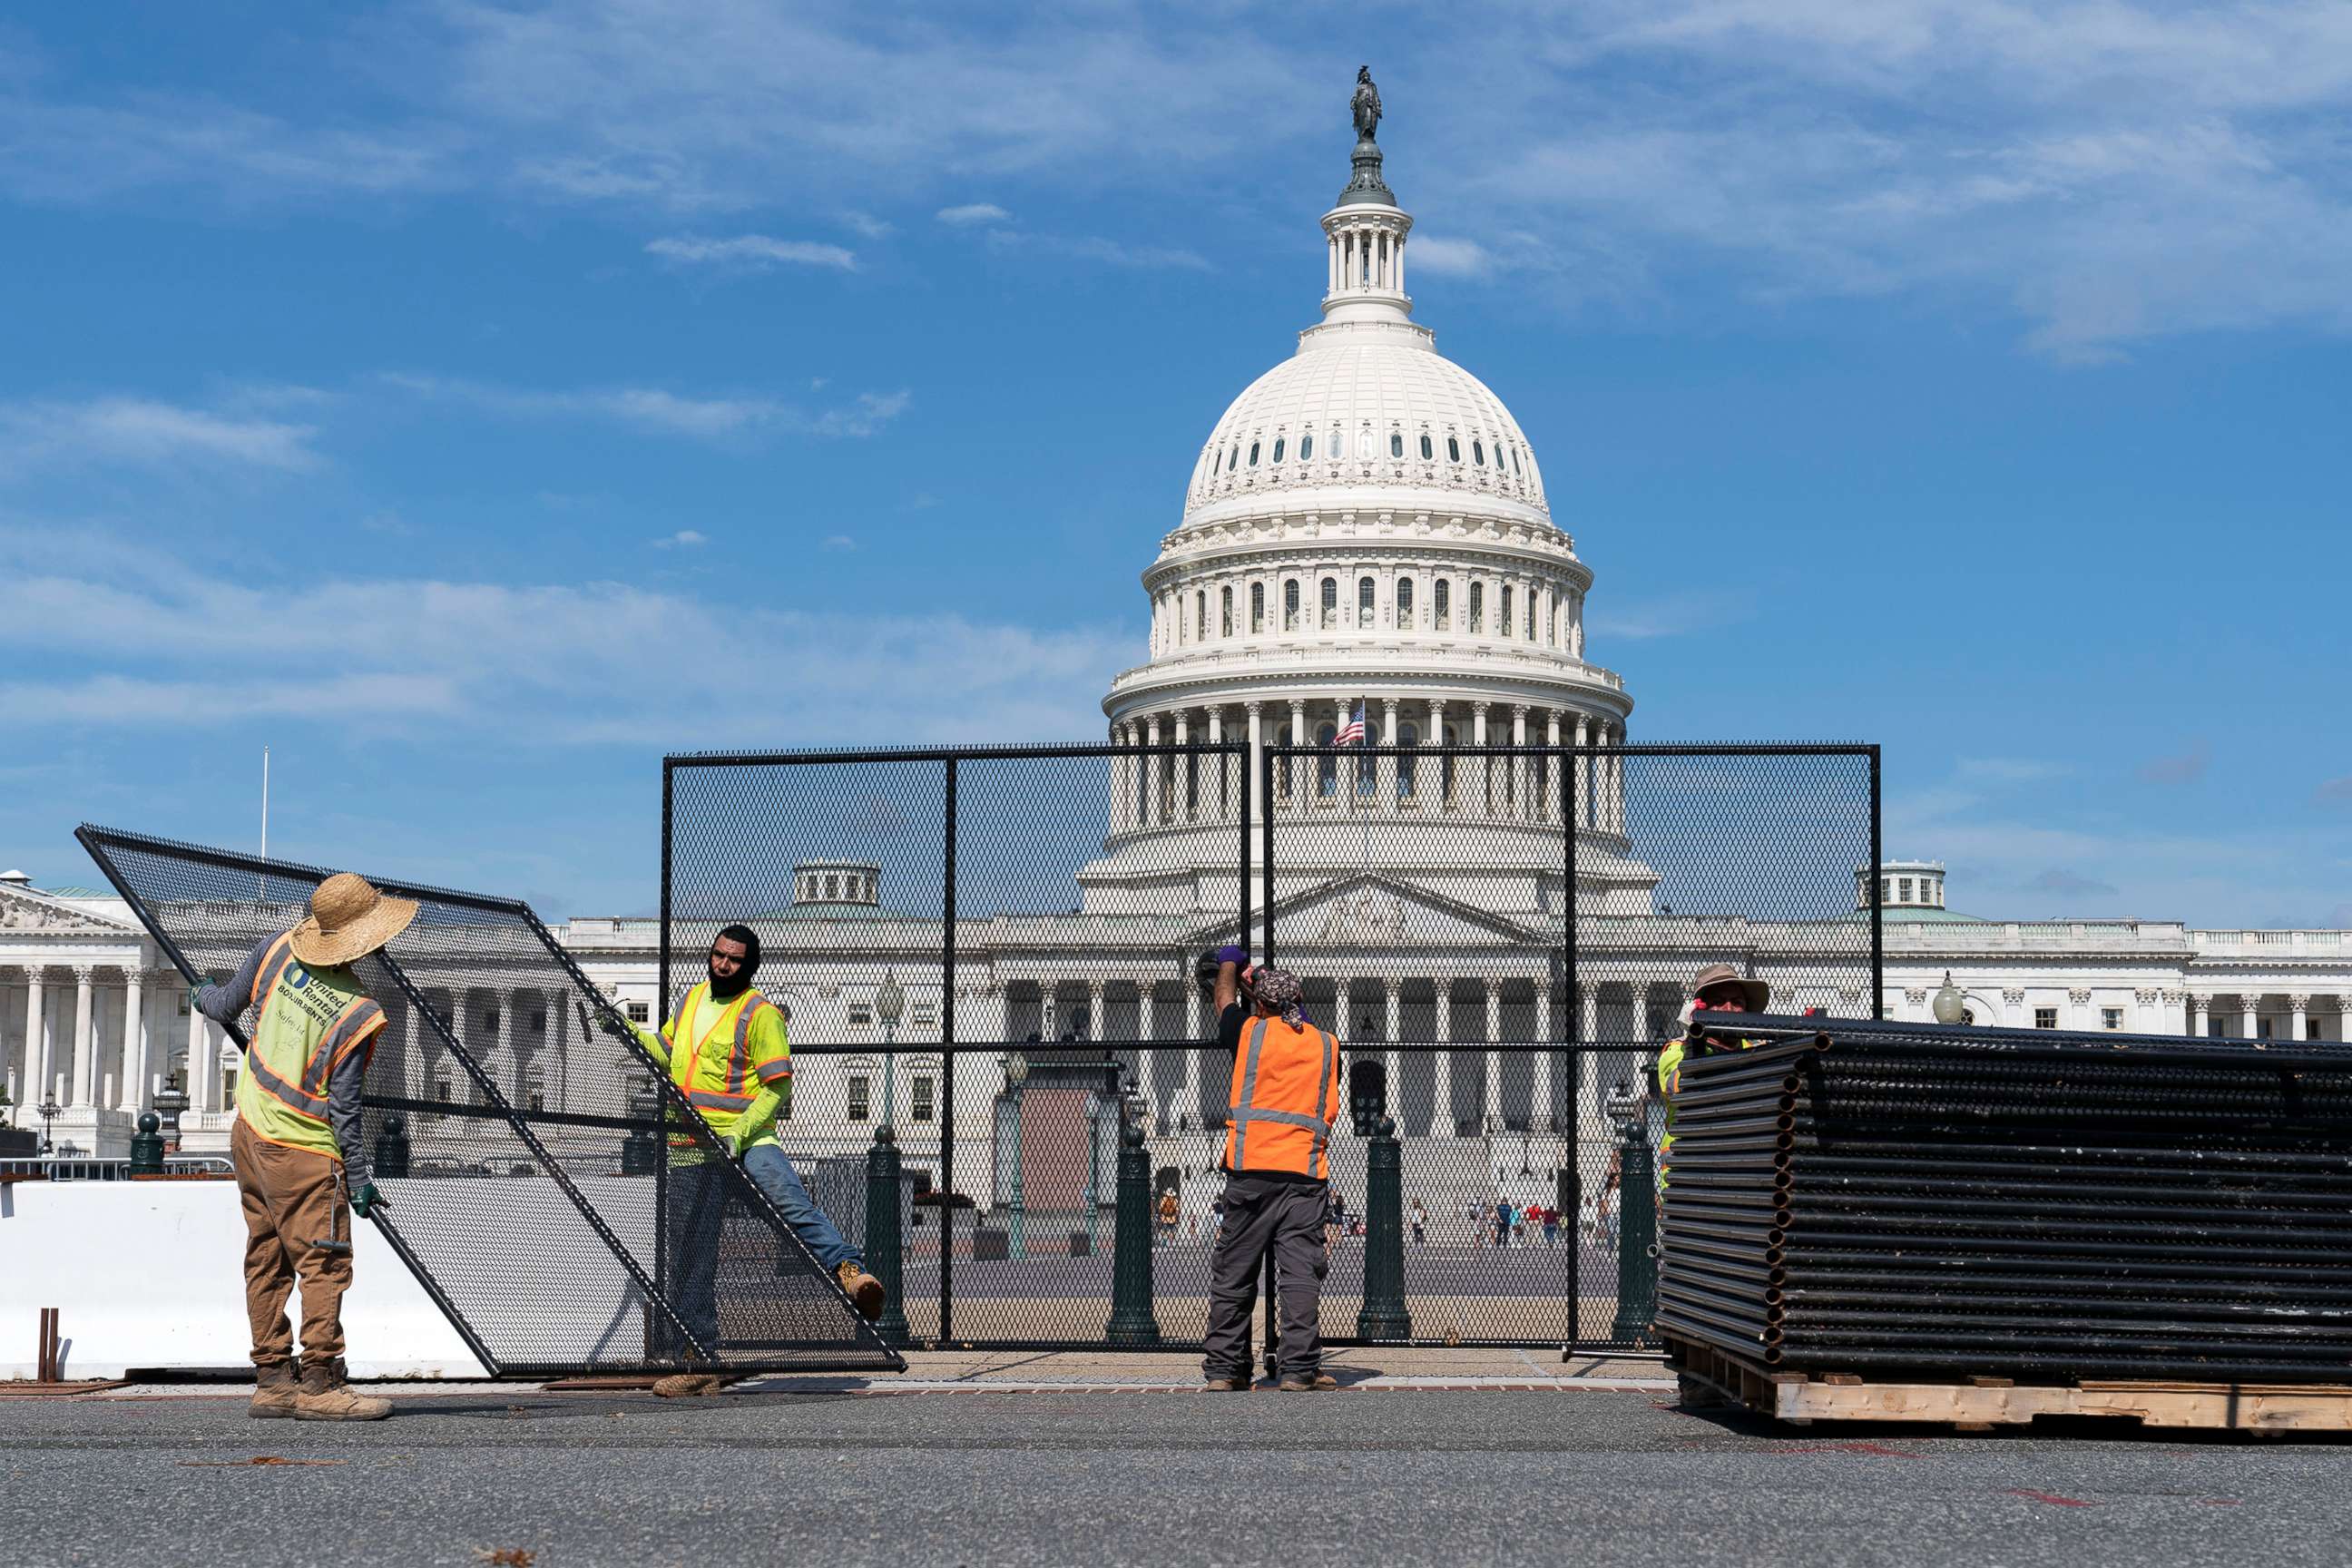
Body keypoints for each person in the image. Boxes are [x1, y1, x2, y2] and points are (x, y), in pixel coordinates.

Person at [191, 872, 415, 1421]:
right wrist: (359, 1178)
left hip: (249, 1133)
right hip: (306, 1150)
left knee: (265, 1257)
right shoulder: (360, 1011)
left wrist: (200, 993)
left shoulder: (274, 950)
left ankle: (272, 1382)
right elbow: (344, 1106)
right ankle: (319, 1383)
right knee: (324, 1262)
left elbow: (222, 1007)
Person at [617, 925, 887, 1354]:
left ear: (749, 965)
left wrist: (739, 1133)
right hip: (689, 1145)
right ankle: (697, 1352)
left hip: (748, 1143)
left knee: (791, 1207)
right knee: (689, 1254)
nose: (723, 964)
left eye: (734, 959)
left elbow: (777, 1088)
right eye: (719, 955)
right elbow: (667, 1053)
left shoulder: (760, 1013)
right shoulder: (691, 1001)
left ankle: (850, 1271)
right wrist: (625, 1030)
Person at [1200, 946, 1342, 1392]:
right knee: (1301, 1274)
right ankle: (1298, 1369)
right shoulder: (1326, 1043)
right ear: (1296, 1003)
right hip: (1304, 1172)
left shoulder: (1250, 1034)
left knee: (1236, 1271)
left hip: (1252, 1166)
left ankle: (1226, 1370)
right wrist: (1265, 988)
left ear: (1259, 1004)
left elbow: (1223, 1000)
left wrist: (1231, 964)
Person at [1653, 964, 1770, 1187]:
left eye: (1737, 1002)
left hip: (1744, 1173)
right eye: (1718, 1002)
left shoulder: (1758, 1050)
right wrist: (1694, 1039)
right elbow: (1681, 1090)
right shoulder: (1676, 1051)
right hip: (1688, 1178)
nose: (1728, 1009)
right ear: (1700, 1008)